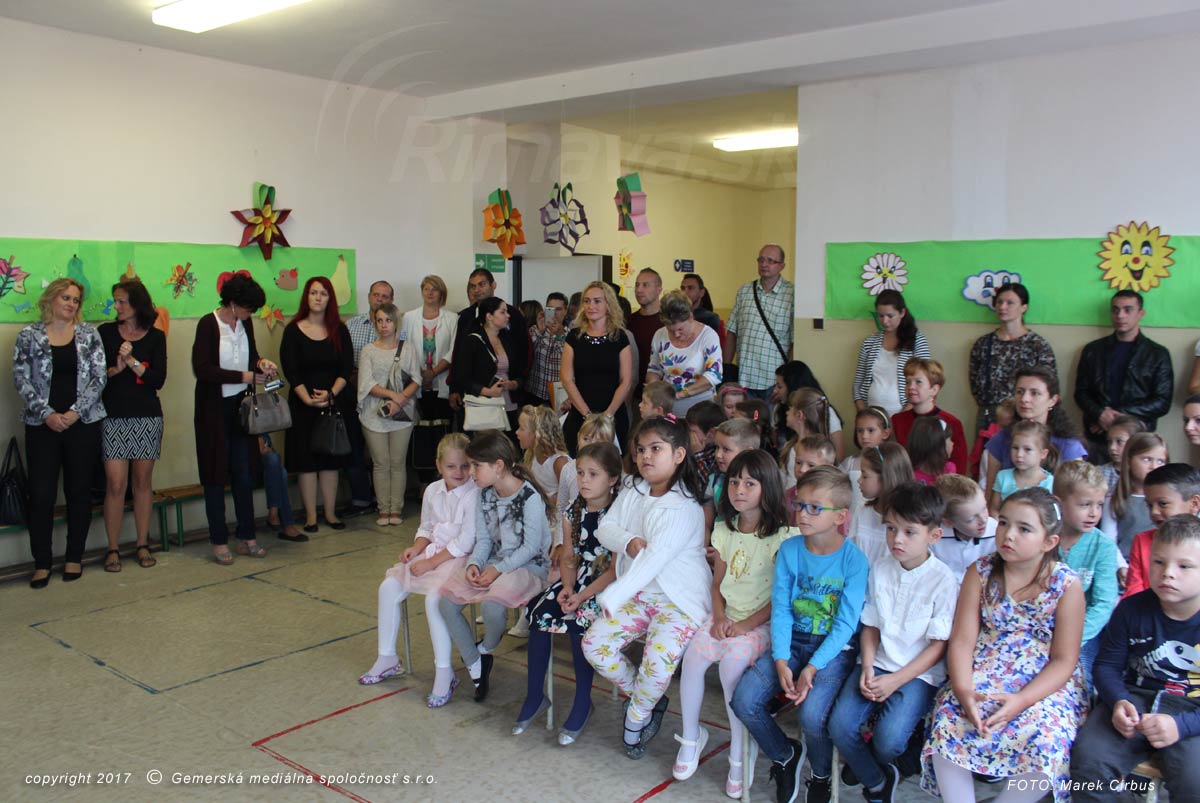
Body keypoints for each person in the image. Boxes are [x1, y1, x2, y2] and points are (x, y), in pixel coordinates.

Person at [921, 488, 1088, 803]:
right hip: (984, 670)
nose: (1008, 534)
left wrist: (1022, 700)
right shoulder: (981, 572)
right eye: (1004, 523)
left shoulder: (1066, 585)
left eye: (1024, 529)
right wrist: (963, 689)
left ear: (1049, 542)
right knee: (948, 719)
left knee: (1048, 738)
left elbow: (1064, 660)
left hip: (1042, 684)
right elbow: (962, 640)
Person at [730, 466, 865, 803]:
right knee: (744, 701)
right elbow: (781, 609)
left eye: (814, 508)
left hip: (833, 651)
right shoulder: (790, 550)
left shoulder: (854, 560)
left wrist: (813, 666)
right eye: (800, 505)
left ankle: (820, 775)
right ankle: (784, 754)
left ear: (840, 516)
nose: (803, 514)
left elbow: (846, 625)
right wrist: (780, 659)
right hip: (791, 642)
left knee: (812, 715)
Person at [582, 416, 711, 760]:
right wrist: (628, 541)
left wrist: (613, 595)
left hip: (678, 601)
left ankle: (636, 719)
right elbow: (605, 529)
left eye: (656, 449)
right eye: (640, 450)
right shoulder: (634, 490)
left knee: (657, 666)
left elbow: (654, 560)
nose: (645, 456)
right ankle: (649, 698)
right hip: (638, 595)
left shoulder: (684, 507)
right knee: (595, 645)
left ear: (679, 455)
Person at [674, 450, 792, 797]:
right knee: (693, 659)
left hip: (759, 623)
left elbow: (780, 598)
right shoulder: (724, 529)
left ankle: (740, 753)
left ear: (767, 488)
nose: (739, 489)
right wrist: (720, 617)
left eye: (750, 483)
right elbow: (717, 584)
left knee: (730, 668)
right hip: (726, 617)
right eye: (735, 482)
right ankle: (691, 737)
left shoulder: (784, 536)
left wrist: (745, 625)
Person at [829, 482, 957, 803]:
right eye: (891, 529)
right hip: (876, 662)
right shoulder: (881, 569)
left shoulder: (944, 580)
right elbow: (871, 625)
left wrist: (895, 680)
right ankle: (876, 778)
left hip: (917, 674)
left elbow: (938, 646)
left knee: (889, 741)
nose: (897, 539)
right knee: (839, 726)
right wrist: (867, 667)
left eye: (909, 532)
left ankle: (870, 762)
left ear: (934, 535)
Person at [1070, 514, 1200, 802]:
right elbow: (1107, 666)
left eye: (1184, 566)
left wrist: (1181, 726)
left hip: (1193, 711)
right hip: (1134, 699)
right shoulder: (1131, 609)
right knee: (1088, 762)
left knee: (1196, 782)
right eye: (1159, 562)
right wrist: (1118, 700)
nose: (1168, 573)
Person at [358, 434, 480, 709]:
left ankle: (444, 672)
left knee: (434, 600)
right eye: (451, 466)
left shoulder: (474, 493)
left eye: (465, 466)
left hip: (460, 558)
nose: (459, 472)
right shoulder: (432, 491)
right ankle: (387, 657)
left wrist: (431, 563)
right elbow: (426, 527)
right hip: (433, 554)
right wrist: (416, 548)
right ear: (438, 465)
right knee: (388, 587)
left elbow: (466, 541)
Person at [517, 442, 622, 745]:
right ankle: (535, 695)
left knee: (579, 622)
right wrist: (566, 587)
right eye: (580, 473)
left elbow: (615, 570)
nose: (584, 480)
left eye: (593, 474)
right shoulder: (573, 512)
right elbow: (568, 557)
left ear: (613, 479)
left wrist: (582, 595)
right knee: (539, 614)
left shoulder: (618, 515)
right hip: (577, 579)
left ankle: (582, 701)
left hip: (607, 584)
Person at [439, 431, 551, 703]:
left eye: (476, 466)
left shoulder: (529, 497)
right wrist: (475, 564)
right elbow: (484, 540)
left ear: (498, 466)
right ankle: (475, 663)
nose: (471, 473)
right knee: (446, 604)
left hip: (527, 567)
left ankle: (486, 648)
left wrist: (498, 570)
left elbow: (531, 548)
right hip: (495, 563)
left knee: (492, 607)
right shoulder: (485, 495)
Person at [13, 278, 106, 587]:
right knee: (41, 494)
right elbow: (21, 378)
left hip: (82, 424)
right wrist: (47, 414)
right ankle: (42, 562)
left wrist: (74, 412)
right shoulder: (29, 335)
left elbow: (99, 377)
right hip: (42, 426)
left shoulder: (89, 334)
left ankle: (74, 557)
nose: (71, 304)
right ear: (51, 299)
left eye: (76, 300)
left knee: (79, 491)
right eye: (66, 297)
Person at [191, 273, 278, 564]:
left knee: (244, 473)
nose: (250, 314)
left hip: (242, 408)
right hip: (213, 410)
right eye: (247, 308)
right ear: (232, 302)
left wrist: (261, 363)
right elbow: (203, 369)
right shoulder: (208, 324)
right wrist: (245, 376)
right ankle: (218, 539)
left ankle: (247, 535)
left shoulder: (245, 323)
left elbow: (251, 355)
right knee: (215, 475)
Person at [99, 279, 165, 572]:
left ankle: (142, 543)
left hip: (147, 416)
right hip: (113, 415)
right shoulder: (105, 332)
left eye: (122, 301)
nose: (117, 306)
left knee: (142, 483)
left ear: (137, 303)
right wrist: (116, 368)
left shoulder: (156, 337)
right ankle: (112, 548)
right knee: (115, 484)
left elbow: (158, 379)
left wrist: (132, 360)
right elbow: (95, 376)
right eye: (115, 301)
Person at [281, 277, 355, 534]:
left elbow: (346, 368)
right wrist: (306, 398)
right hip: (302, 404)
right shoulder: (292, 331)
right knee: (306, 461)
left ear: (329, 299)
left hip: (332, 403)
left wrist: (331, 394)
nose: (318, 298)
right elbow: (290, 370)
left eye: (323, 293)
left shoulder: (339, 330)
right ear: (306, 296)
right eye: (313, 293)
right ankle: (311, 517)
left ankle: (331, 514)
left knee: (329, 460)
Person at [1074, 289, 1174, 457]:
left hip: (1138, 437)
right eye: (1115, 310)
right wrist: (1100, 414)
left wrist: (1118, 416)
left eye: (1128, 310)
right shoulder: (1093, 350)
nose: (1120, 315)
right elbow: (1081, 393)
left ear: (1141, 313)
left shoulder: (1158, 354)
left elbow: (1162, 401)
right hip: (1099, 437)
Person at [1052, 460, 1119, 690]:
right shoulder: (1043, 537)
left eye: (1099, 505)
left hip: (1083, 632)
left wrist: (1071, 637)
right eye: (1085, 505)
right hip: (1039, 626)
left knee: (1080, 681)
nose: (1094, 513)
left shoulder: (1103, 547)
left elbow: (1103, 603)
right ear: (1059, 503)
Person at [357, 302, 421, 527]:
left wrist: (400, 399)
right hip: (374, 414)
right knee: (381, 463)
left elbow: (416, 379)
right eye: (380, 320)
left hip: (402, 415)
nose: (384, 325)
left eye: (388, 320)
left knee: (397, 462)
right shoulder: (368, 350)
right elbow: (366, 383)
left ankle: (396, 509)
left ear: (396, 323)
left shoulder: (408, 348)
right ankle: (383, 509)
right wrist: (394, 395)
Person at [967, 283, 1057, 434]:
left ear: (1024, 307)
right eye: (999, 302)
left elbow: (1050, 385)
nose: (1002, 307)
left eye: (1010, 302)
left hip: (1026, 417)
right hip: (990, 417)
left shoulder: (1038, 345)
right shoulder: (983, 344)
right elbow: (975, 383)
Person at [984, 365, 1088, 495]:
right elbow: (990, 495)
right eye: (1020, 392)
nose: (1024, 399)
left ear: (1052, 401)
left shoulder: (1069, 445)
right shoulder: (1000, 439)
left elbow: (1075, 497)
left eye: (1034, 393)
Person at [561, 282, 634, 454]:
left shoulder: (620, 337)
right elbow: (566, 378)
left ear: (608, 304)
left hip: (613, 414)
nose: (590, 306)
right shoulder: (574, 337)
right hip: (580, 413)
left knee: (610, 464)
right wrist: (587, 416)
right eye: (586, 301)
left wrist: (607, 416)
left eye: (597, 301)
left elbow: (626, 381)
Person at [343, 280, 394, 518]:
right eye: (376, 295)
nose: (380, 299)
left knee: (383, 454)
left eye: (385, 296)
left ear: (391, 300)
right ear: (369, 297)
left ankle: (384, 500)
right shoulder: (352, 325)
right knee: (354, 448)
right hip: (356, 394)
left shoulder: (399, 327)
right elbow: (344, 362)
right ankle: (361, 498)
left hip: (387, 397)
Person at [447, 268, 528, 411]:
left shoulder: (513, 315)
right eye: (473, 286)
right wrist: (454, 388)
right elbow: (457, 354)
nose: (477, 290)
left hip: (509, 395)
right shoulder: (466, 316)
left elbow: (524, 352)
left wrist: (517, 383)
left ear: (493, 285)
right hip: (476, 398)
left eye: (481, 284)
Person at [725, 244, 794, 400]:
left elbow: (794, 342)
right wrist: (726, 368)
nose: (764, 264)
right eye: (761, 260)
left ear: (782, 266)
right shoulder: (745, 291)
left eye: (771, 261)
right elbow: (732, 332)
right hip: (744, 378)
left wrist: (786, 379)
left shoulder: (791, 294)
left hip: (773, 381)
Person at [1125, 463, 1200, 598]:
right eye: (1149, 505)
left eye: (1163, 504)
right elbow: (1134, 592)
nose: (1154, 512)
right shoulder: (1142, 541)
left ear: (1194, 504)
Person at [852, 289, 931, 416]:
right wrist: (863, 412)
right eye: (880, 316)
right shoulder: (869, 343)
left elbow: (926, 381)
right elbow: (858, 383)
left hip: (906, 415)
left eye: (890, 316)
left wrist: (903, 415)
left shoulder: (917, 341)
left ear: (902, 313)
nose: (885, 321)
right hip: (872, 416)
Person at [644, 290, 722, 415]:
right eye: (670, 330)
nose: (676, 334)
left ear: (691, 317)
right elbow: (654, 368)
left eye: (680, 329)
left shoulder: (708, 336)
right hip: (668, 407)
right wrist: (654, 389)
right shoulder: (659, 335)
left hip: (701, 409)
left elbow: (714, 375)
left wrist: (679, 395)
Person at [455, 296, 523, 433]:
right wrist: (488, 391)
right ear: (489, 316)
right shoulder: (472, 341)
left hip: (508, 403)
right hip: (484, 406)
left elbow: (519, 372)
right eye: (502, 312)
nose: (508, 315)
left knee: (509, 443)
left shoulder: (507, 340)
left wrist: (513, 384)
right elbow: (462, 378)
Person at [889, 358, 967, 473]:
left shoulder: (951, 422)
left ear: (934, 389)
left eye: (918, 382)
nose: (911, 387)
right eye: (908, 382)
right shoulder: (897, 420)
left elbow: (959, 467)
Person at [1101, 431, 1168, 563]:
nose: (1154, 467)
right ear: (1129, 461)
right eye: (1147, 459)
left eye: (1160, 461)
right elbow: (1109, 541)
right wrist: (1121, 566)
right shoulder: (1114, 498)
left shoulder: (1169, 500)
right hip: (1126, 564)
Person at [400, 275, 457, 432]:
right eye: (426, 289)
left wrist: (432, 373)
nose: (430, 293)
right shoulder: (408, 317)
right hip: (415, 381)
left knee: (442, 429)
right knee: (419, 431)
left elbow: (454, 350)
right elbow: (403, 345)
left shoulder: (452, 318)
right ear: (422, 292)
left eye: (434, 289)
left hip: (442, 382)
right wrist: (420, 373)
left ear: (441, 293)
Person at [851, 442, 914, 567]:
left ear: (885, 478)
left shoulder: (910, 521)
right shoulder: (862, 511)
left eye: (865, 476)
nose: (859, 480)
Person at [933, 474, 998, 583]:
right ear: (948, 523)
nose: (983, 520)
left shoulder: (997, 533)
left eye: (984, 509)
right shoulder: (934, 539)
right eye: (971, 519)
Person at [774, 361, 845, 461]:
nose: (775, 390)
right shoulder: (781, 410)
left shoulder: (826, 412)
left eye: (779, 386)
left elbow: (839, 457)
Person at [989, 420, 1055, 515]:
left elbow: (1050, 517)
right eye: (1015, 448)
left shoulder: (1050, 483)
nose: (1019, 454)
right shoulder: (1003, 477)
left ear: (1043, 453)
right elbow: (994, 509)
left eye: (1027, 449)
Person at [840, 406, 892, 513]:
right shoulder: (850, 462)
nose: (864, 436)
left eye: (871, 430)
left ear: (885, 433)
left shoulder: (891, 462)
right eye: (860, 431)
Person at [258, 434, 305, 542]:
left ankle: (274, 513)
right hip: (243, 453)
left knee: (277, 464)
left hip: (265, 450)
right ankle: (286, 524)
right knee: (280, 470)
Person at [784, 436, 838, 527]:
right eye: (798, 462)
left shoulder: (836, 500)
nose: (802, 469)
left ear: (828, 468)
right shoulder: (787, 496)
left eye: (811, 465)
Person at [526, 292, 567, 406]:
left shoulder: (571, 335)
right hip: (534, 392)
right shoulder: (534, 330)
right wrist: (540, 331)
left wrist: (560, 336)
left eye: (558, 309)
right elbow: (526, 355)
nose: (555, 313)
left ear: (565, 311)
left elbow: (567, 359)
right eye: (550, 309)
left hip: (559, 396)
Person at [627, 268, 664, 386]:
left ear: (659, 289)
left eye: (645, 285)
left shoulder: (669, 322)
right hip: (632, 388)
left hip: (661, 390)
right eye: (637, 285)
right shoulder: (628, 321)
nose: (639, 290)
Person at [1101, 413, 1145, 493]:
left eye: (1119, 441)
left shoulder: (1144, 474)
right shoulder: (1099, 473)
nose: (1112, 447)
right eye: (1109, 441)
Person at [686, 401, 725, 489]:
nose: (688, 435)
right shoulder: (690, 446)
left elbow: (708, 485)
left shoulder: (717, 453)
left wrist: (697, 455)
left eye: (692, 431)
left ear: (711, 433)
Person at [907, 416, 955, 485]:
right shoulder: (911, 476)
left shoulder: (949, 470)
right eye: (949, 439)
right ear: (938, 445)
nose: (952, 443)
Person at [679, 272, 725, 339]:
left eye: (690, 288)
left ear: (701, 292)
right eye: (683, 288)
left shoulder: (710, 318)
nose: (684, 292)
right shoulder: (675, 315)